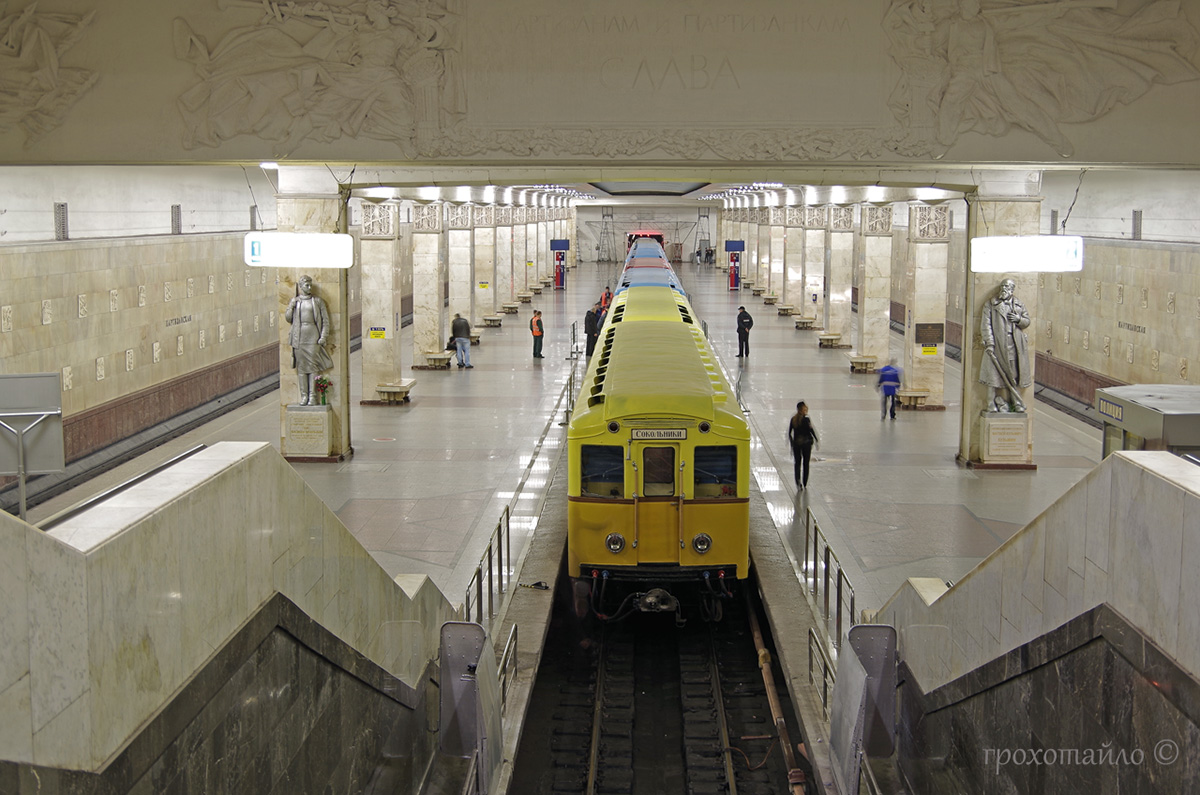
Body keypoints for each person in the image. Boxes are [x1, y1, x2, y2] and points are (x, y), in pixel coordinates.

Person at [979, 278, 1031, 412]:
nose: (1004, 289)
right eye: (1003, 286)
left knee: (1013, 374)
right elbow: (986, 325)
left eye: (1007, 287)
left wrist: (1019, 319)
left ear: (1012, 290)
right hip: (997, 344)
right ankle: (991, 403)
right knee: (992, 376)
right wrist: (989, 343)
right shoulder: (991, 304)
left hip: (1014, 344)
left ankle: (1016, 402)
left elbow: (1027, 321)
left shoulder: (1018, 305)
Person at [285, 274, 333, 406]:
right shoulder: (296, 301)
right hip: (299, 337)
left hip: (313, 336)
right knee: (301, 369)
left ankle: (312, 396)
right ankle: (304, 396)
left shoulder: (317, 301)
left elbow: (325, 320)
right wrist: (291, 306)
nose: (309, 287)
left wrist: (323, 336)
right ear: (300, 287)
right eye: (306, 285)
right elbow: (289, 319)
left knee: (312, 367)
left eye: (310, 284)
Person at [787, 401, 819, 490]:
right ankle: (805, 482)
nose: (806, 411)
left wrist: (792, 443)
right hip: (806, 445)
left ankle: (798, 481)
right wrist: (816, 440)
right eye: (805, 409)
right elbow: (811, 431)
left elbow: (789, 433)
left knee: (797, 463)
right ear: (801, 410)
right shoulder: (806, 420)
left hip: (796, 444)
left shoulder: (793, 419)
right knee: (806, 463)